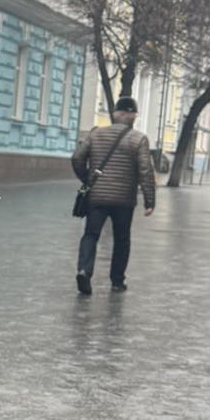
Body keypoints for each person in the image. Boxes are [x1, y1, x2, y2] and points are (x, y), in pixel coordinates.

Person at [71, 95, 155, 296]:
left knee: (91, 234)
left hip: (97, 197)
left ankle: (84, 270)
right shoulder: (139, 139)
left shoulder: (95, 134)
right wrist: (149, 200)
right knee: (122, 239)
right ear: (133, 115)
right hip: (124, 200)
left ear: (115, 114)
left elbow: (77, 158)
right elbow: (145, 171)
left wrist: (88, 180)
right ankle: (117, 281)